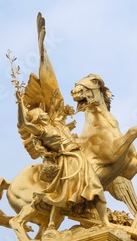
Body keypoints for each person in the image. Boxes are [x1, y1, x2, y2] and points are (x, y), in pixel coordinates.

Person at [16, 94, 111, 229]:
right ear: (38, 117)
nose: (44, 112)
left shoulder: (57, 124)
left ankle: (105, 222)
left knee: (96, 187)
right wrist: (20, 103)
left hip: (79, 157)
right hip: (66, 160)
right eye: (41, 112)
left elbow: (67, 111)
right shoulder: (40, 131)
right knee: (62, 193)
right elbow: (24, 123)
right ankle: (52, 224)